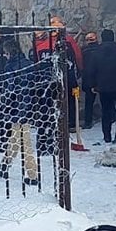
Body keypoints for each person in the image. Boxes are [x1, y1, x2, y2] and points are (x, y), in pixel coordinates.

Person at [33, 15, 84, 150]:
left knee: (64, 101)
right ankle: (66, 124)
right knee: (63, 101)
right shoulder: (63, 42)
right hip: (59, 79)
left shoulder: (63, 42)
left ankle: (65, 124)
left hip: (59, 79)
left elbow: (77, 57)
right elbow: (77, 57)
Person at [0, 36, 39, 186]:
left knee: (25, 142)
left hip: (16, 106)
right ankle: (4, 164)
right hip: (29, 105)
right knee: (15, 137)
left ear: (8, 53)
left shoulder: (10, 67)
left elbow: (9, 89)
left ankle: (32, 174)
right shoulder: (28, 64)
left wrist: (4, 105)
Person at [84, 29, 116, 144]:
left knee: (106, 111)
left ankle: (107, 135)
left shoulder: (96, 53)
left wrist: (93, 84)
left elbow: (91, 70)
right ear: (113, 38)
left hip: (103, 87)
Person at [80, 32, 100, 129]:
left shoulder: (83, 51)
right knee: (107, 99)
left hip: (88, 78)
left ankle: (88, 121)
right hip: (101, 77)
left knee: (89, 102)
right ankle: (110, 116)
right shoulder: (101, 49)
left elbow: (80, 63)